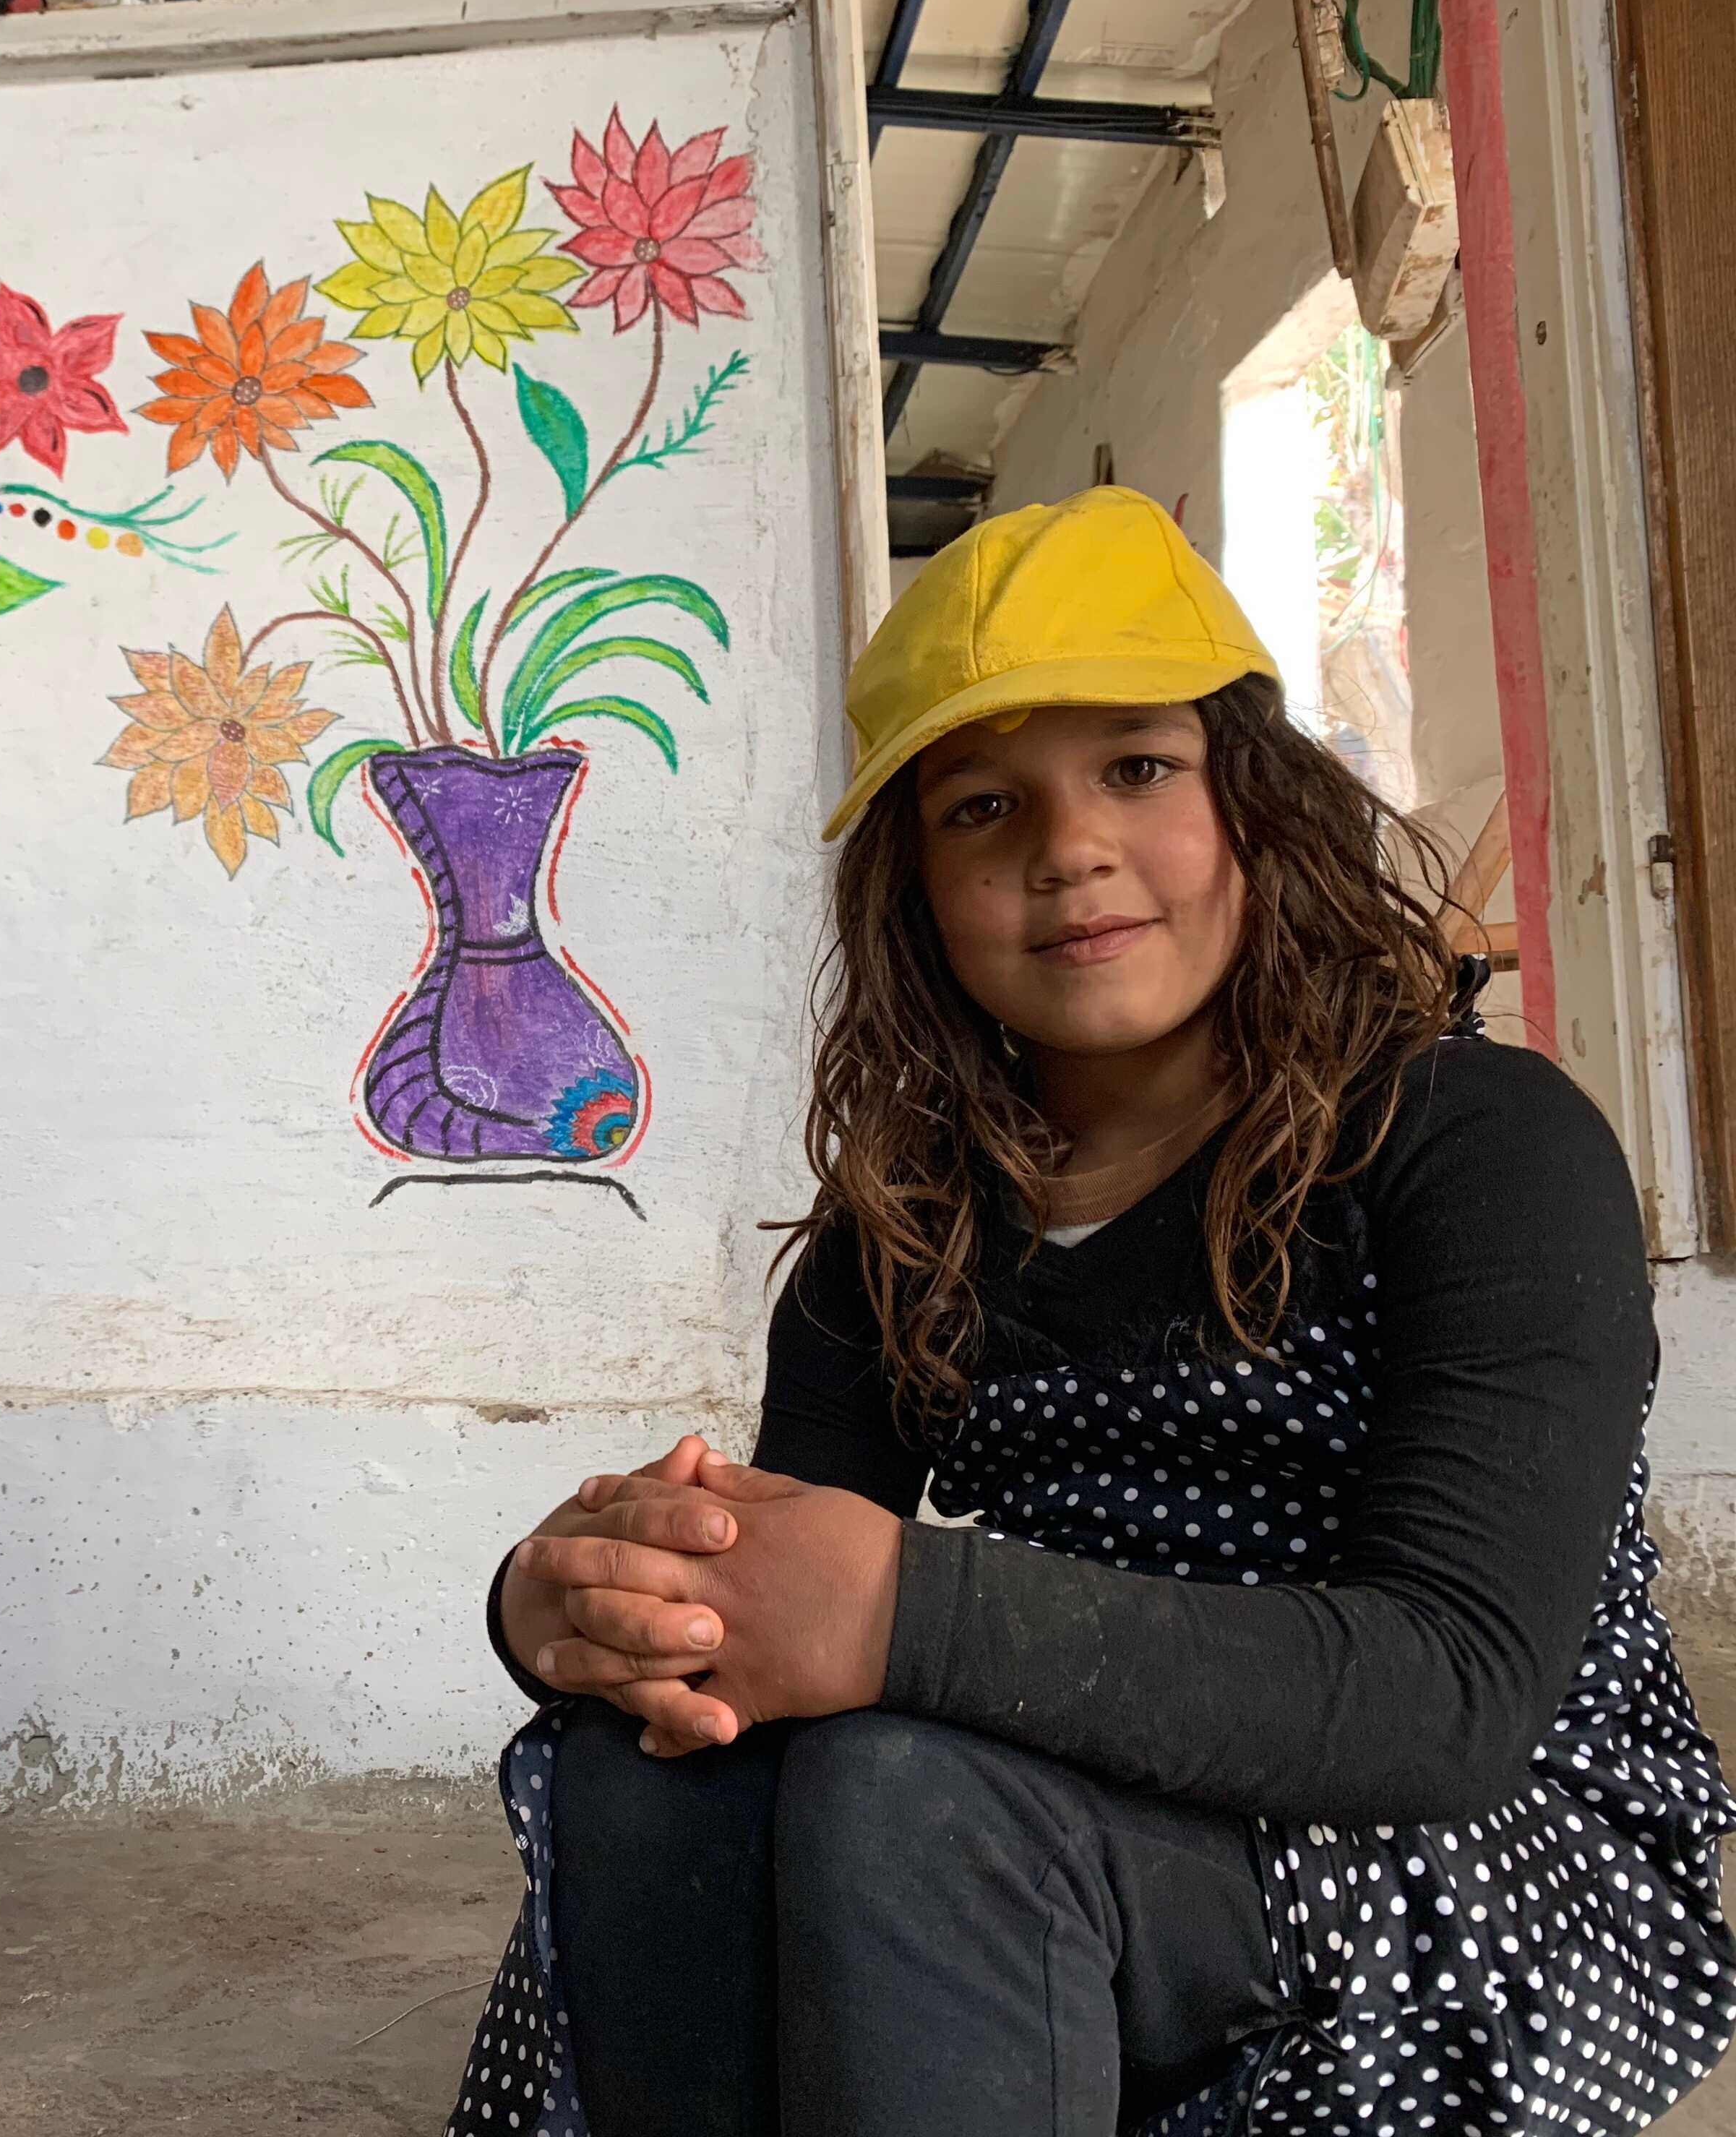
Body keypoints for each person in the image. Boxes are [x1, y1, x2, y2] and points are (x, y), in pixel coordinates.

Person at [447, 486, 1736, 2137]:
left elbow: (1455, 1694)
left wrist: (907, 1613)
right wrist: (583, 1611)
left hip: (1467, 1849)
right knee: (657, 1782)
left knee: (909, 1800)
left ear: (1259, 804)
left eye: (1139, 767)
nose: (1069, 850)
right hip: (1061, 1782)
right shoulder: (898, 1227)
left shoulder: (1477, 1146)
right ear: (911, 891)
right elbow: (780, 1615)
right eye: (983, 808)